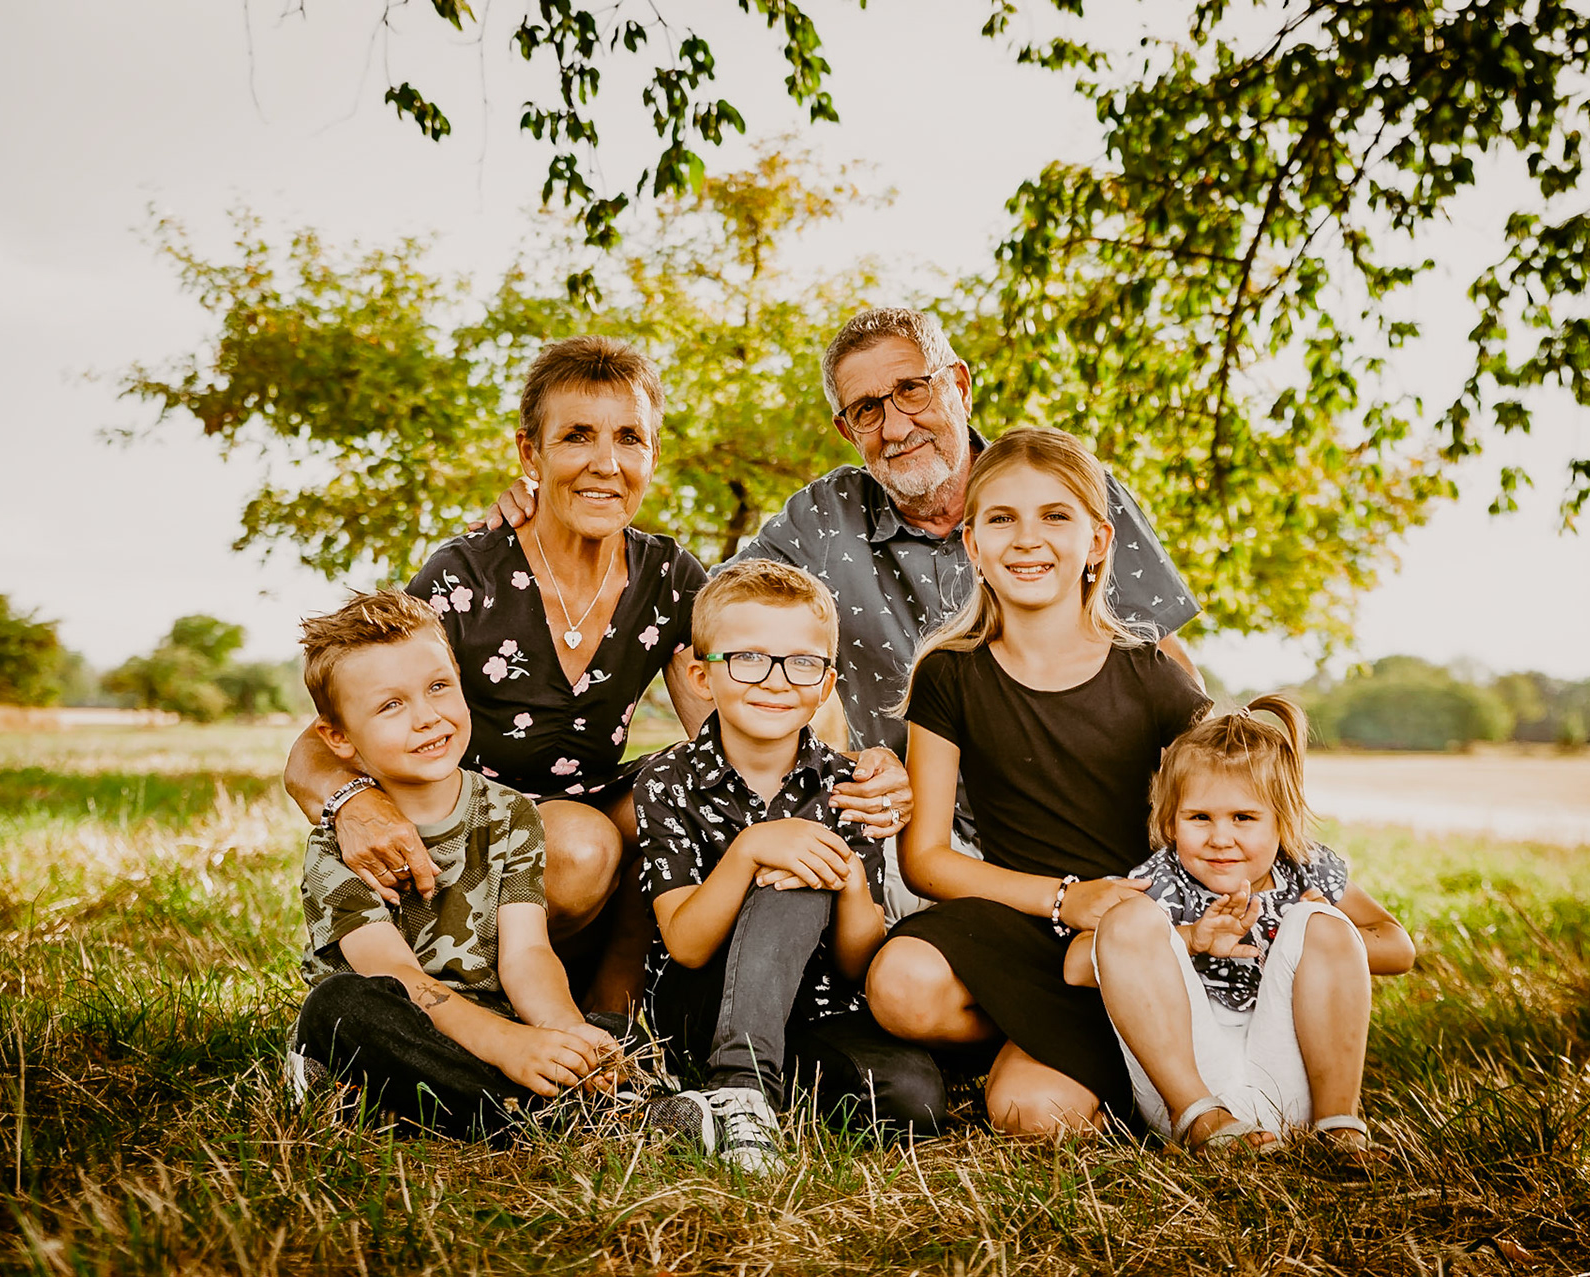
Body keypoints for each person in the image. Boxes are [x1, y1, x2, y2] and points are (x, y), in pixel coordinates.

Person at [488, 307, 1201, 914]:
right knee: (872, 948)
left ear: (958, 385)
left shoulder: (1063, 489)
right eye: (868, 410)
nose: (896, 425)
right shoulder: (823, 520)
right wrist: (547, 513)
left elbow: (1164, 659)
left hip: (1089, 820)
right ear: (846, 429)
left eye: (912, 390)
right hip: (913, 830)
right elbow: (705, 617)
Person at [283, 336, 714, 1013]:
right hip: (470, 835)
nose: (606, 463)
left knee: (685, 785)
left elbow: (730, 726)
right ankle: (479, 998)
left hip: (587, 809)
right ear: (529, 454)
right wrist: (354, 805)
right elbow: (318, 744)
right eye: (576, 436)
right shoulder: (467, 576)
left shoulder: (668, 575)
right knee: (579, 845)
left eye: (629, 438)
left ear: (652, 454)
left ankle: (618, 1010)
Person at [864, 426, 1214, 1135]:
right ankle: (1038, 1037)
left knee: (1030, 1114)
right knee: (899, 985)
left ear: (1098, 542)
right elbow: (925, 859)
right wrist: (1063, 898)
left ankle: (1128, 1033)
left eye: (1055, 515)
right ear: (972, 545)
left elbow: (1236, 801)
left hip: (1127, 930)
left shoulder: (1151, 675)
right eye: (1002, 519)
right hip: (1018, 920)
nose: (1028, 539)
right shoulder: (949, 673)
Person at [287, 590, 632, 1141]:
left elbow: (526, 953)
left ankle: (513, 1097)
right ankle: (542, 1118)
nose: (428, 717)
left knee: (605, 1030)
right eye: (391, 705)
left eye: (438, 687)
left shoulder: (510, 813)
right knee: (340, 1008)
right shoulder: (343, 846)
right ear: (338, 738)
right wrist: (509, 1046)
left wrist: (562, 1031)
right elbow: (394, 974)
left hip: (493, 1016)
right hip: (404, 1025)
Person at [634, 562, 945, 1172]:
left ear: (826, 684)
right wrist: (751, 848)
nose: (776, 681)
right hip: (703, 1003)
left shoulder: (849, 787)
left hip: (815, 1010)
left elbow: (856, 963)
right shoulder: (667, 781)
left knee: (914, 1101)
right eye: (748, 658)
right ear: (701, 676)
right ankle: (740, 1086)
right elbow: (686, 946)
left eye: (802, 663)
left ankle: (716, 1098)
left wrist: (849, 881)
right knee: (795, 862)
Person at [1066, 695, 1416, 1152]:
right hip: (1186, 1086)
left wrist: (1294, 939)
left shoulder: (1304, 870)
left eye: (1244, 818)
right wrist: (1189, 939)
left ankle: (1339, 1126)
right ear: (1171, 822)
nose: (1220, 838)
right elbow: (1076, 965)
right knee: (1128, 918)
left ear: (1282, 822)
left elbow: (1398, 947)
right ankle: (1203, 1121)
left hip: (1289, 1079)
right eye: (1199, 818)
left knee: (1322, 921)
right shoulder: (1160, 880)